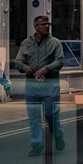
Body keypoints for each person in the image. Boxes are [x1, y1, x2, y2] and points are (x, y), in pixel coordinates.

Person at [12, 15, 64, 156]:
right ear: (36, 27)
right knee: (34, 117)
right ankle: (36, 144)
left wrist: (45, 69)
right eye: (43, 24)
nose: (47, 26)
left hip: (50, 84)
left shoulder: (55, 43)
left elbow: (59, 61)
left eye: (48, 24)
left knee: (50, 114)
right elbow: (17, 61)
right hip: (32, 85)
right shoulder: (26, 43)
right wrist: (24, 67)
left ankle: (58, 134)